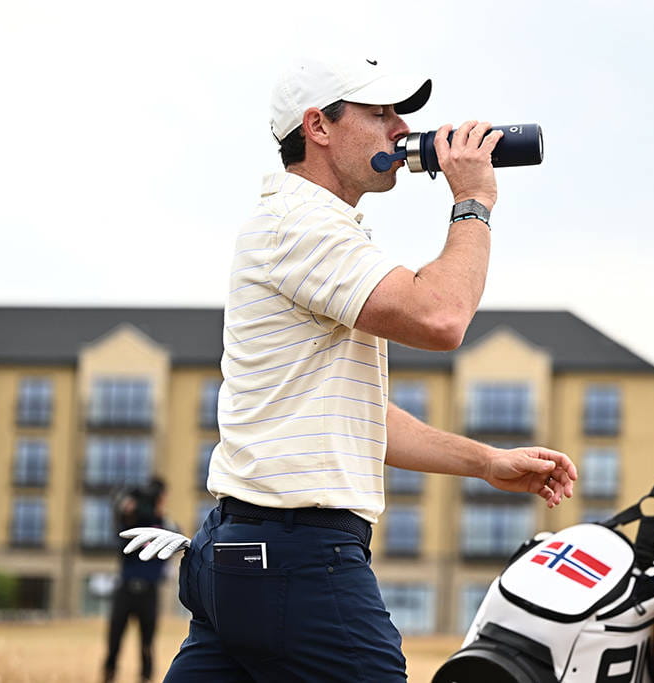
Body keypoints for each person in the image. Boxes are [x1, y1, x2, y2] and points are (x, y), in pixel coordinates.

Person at [144, 54, 577, 682]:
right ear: (318, 126)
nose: (401, 129)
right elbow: (441, 317)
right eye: (380, 113)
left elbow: (359, 417)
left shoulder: (307, 228)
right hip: (302, 556)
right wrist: (474, 201)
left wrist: (487, 463)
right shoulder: (303, 227)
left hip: (242, 553)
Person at [103, 478, 175, 683]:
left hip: (149, 591)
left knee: (147, 643)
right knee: (114, 640)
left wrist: (160, 515)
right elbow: (120, 540)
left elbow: (174, 541)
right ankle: (108, 676)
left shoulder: (165, 524)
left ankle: (145, 678)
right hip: (125, 589)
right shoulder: (131, 521)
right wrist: (127, 512)